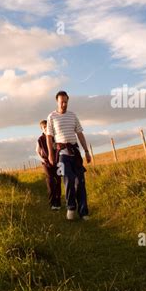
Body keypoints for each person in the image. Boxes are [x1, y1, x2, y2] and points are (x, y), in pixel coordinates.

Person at [46, 91, 91, 220]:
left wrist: (86, 151)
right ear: (57, 102)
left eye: (66, 102)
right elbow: (49, 137)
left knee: (80, 182)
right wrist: (50, 154)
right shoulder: (51, 117)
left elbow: (80, 134)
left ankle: (84, 212)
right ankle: (71, 208)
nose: (64, 104)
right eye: (62, 102)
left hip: (75, 153)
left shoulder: (73, 116)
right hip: (61, 154)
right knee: (68, 179)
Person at [36, 120, 61, 210]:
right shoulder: (40, 139)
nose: (46, 129)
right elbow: (37, 151)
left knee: (58, 181)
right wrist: (43, 160)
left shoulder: (55, 137)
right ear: (42, 129)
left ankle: (58, 203)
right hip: (46, 163)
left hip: (58, 162)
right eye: (44, 128)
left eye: (48, 127)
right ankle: (52, 203)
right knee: (50, 181)